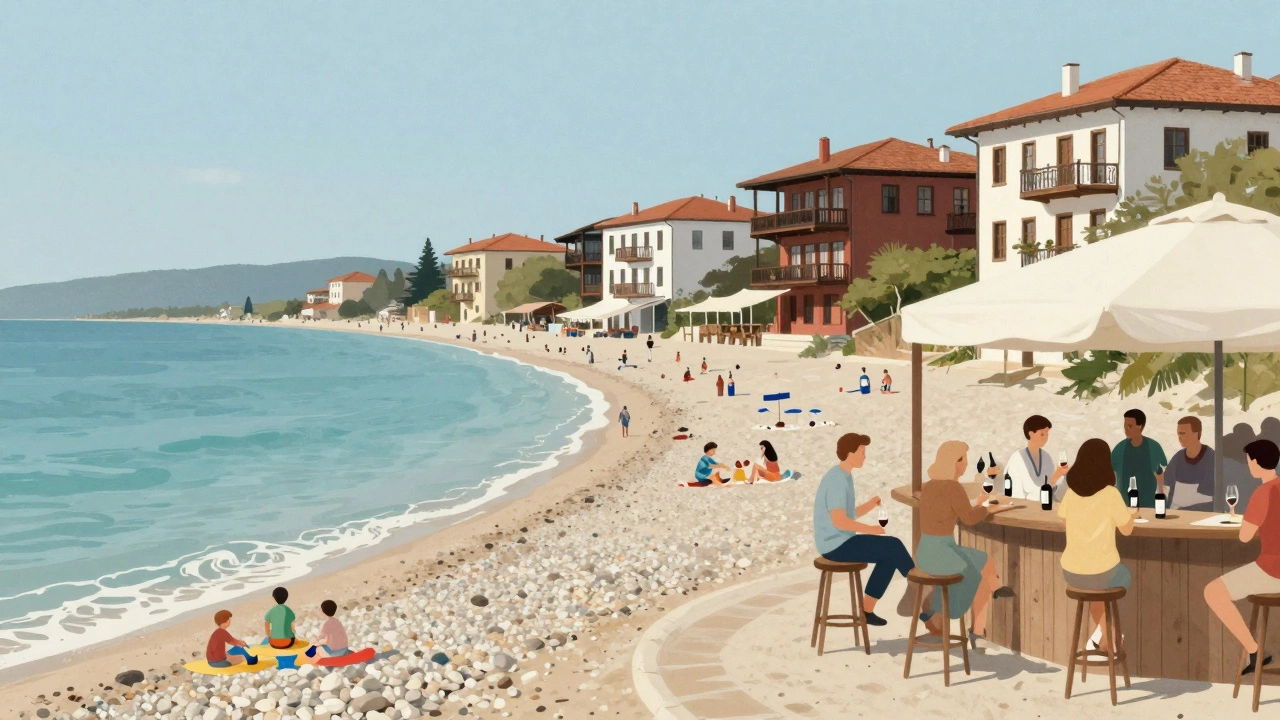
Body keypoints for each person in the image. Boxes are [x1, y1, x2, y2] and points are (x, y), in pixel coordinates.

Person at [916, 441, 1015, 645]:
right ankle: (944, 616)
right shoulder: (953, 487)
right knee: (977, 577)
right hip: (942, 552)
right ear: (955, 462)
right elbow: (969, 518)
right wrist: (988, 508)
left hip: (928, 550)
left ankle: (995, 591)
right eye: (964, 459)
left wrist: (979, 503)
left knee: (986, 562)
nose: (966, 463)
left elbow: (951, 509)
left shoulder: (930, 486)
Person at [813, 433, 914, 626]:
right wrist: (870, 529)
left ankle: (867, 611)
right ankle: (918, 589)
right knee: (893, 545)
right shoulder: (836, 479)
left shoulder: (844, 475)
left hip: (840, 540)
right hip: (835, 545)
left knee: (889, 555)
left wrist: (870, 505)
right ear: (849, 453)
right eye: (861, 452)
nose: (864, 456)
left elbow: (847, 514)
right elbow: (840, 521)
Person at [1204, 439, 1280, 676]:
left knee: (1213, 592)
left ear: (1256, 462)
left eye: (1249, 461)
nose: (1248, 465)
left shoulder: (1263, 492)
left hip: (1272, 570)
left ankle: (1255, 649)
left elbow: (1245, 537)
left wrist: (1254, 522)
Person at [1059, 438, 1137, 655]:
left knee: (1095, 589)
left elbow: (1064, 520)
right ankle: (1109, 636)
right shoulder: (1111, 495)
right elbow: (1127, 530)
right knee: (1120, 575)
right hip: (1105, 573)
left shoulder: (1071, 494)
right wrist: (1131, 515)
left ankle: (1100, 637)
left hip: (1072, 573)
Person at [1111, 409, 1168, 508]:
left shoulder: (1153, 446)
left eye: (1130, 426)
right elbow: (1111, 474)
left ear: (1140, 426)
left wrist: (1161, 493)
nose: (1126, 430)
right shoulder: (1120, 448)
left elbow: (1160, 471)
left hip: (1149, 503)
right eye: (1125, 426)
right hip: (1125, 504)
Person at [1006, 415, 1069, 500]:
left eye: (1047, 434)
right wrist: (1054, 479)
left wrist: (1063, 476)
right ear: (1031, 434)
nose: (1045, 438)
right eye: (1042, 434)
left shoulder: (1047, 458)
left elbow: (1052, 491)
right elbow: (1016, 495)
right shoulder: (1016, 459)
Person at [1165, 416, 1216, 510]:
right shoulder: (1178, 457)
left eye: (1183, 433)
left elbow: (1211, 498)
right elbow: (1167, 485)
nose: (1179, 438)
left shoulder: (1211, 458)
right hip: (1174, 512)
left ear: (1196, 434)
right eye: (1178, 434)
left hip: (1200, 515)